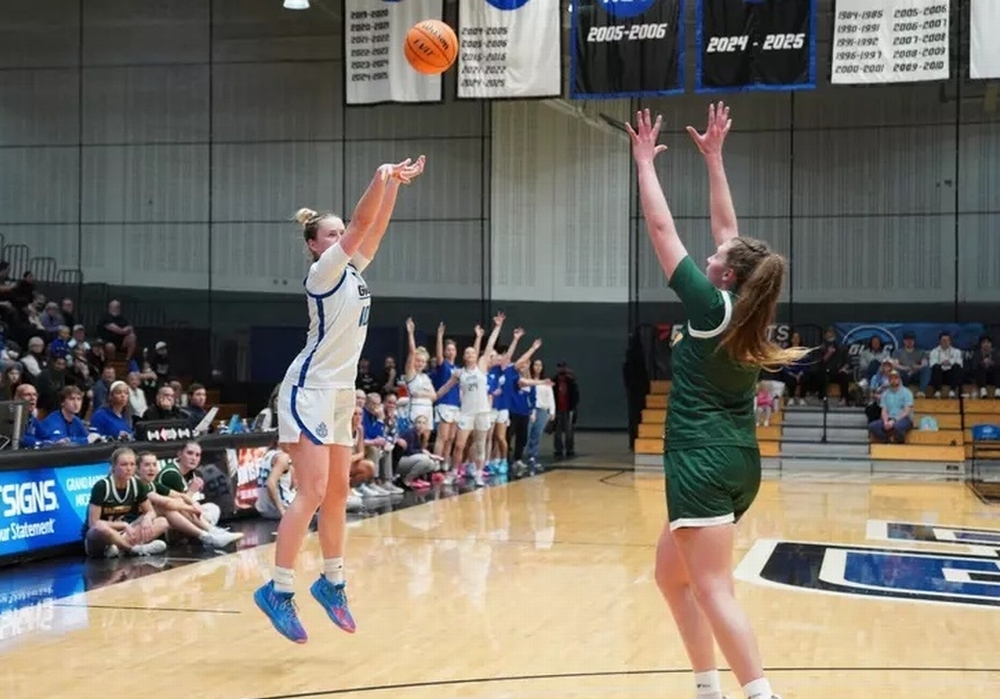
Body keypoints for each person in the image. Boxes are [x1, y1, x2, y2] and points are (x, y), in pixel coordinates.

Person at [628, 102, 808, 699]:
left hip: (701, 457)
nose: (709, 257)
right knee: (670, 576)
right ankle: (709, 688)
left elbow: (662, 233)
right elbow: (729, 232)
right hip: (735, 459)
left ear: (726, 277)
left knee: (711, 587)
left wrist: (644, 164)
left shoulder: (710, 308)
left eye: (715, 261)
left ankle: (761, 694)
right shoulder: (746, 309)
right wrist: (713, 159)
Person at [254, 155, 426, 643]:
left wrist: (394, 186)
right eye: (329, 235)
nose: (338, 239)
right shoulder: (324, 271)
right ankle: (278, 589)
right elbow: (361, 225)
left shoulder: (352, 270)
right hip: (309, 389)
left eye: (338, 234)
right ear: (314, 245)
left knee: (337, 492)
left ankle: (332, 582)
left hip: (339, 392)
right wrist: (379, 176)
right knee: (310, 491)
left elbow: (375, 229)